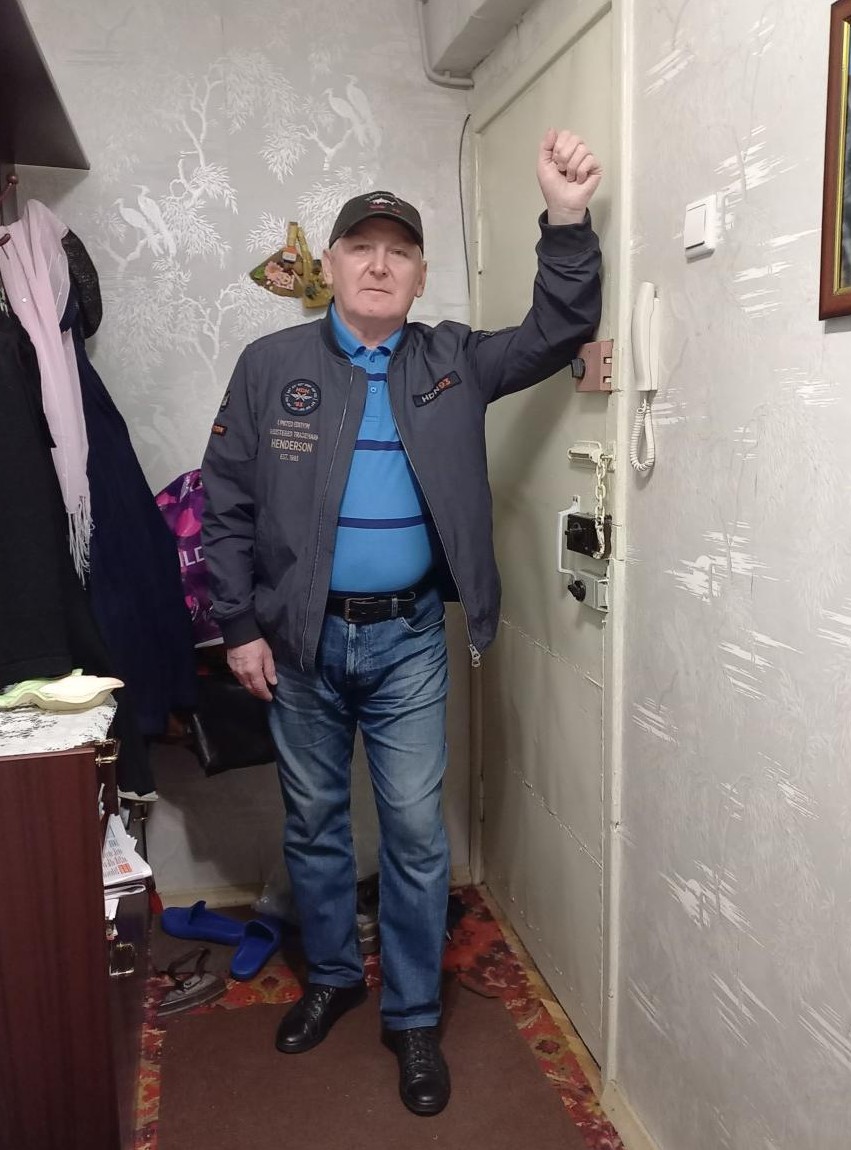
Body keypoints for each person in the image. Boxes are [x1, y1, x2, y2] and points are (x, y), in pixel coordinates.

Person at [201, 128, 603, 1117]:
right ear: (333, 267)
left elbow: (557, 328)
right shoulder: (271, 364)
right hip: (298, 641)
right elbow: (226, 502)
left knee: (418, 833)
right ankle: (335, 976)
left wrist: (565, 219)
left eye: (400, 252)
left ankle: (414, 1012)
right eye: (361, 247)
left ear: (420, 277)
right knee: (314, 821)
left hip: (410, 641)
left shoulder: (454, 359)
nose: (379, 264)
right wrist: (239, 625)